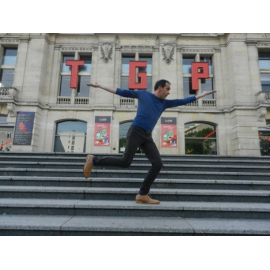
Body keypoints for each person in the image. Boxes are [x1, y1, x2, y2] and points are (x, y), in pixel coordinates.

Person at [83, 79, 216, 204]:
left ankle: (142, 195)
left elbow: (183, 101)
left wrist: (201, 95)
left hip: (147, 136)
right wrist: (101, 86)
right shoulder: (143, 94)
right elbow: (121, 91)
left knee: (157, 164)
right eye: (167, 89)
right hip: (136, 131)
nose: (169, 92)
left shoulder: (165, 103)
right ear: (160, 88)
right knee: (125, 162)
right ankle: (93, 160)